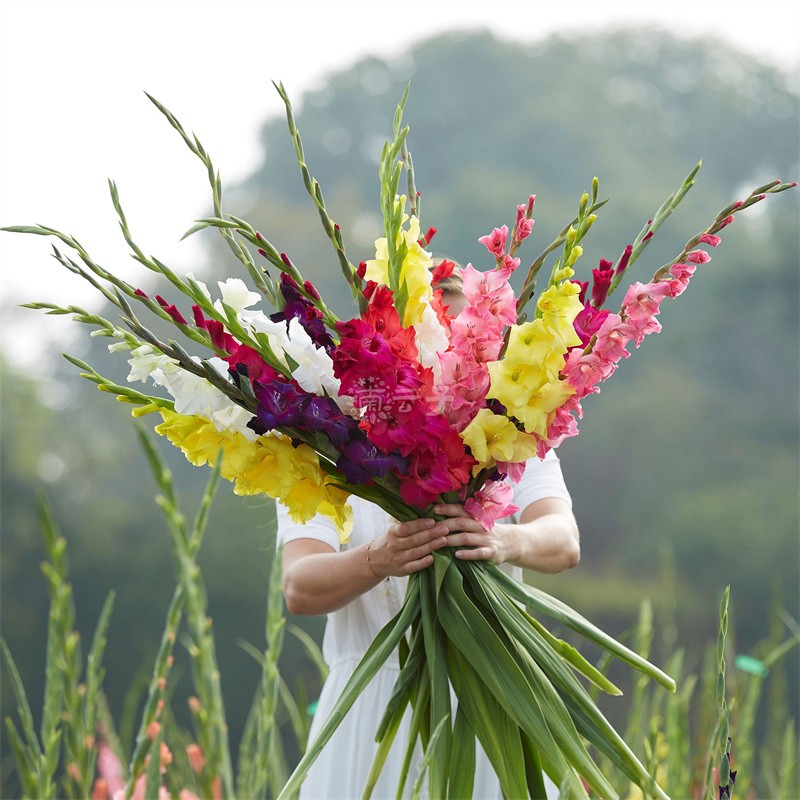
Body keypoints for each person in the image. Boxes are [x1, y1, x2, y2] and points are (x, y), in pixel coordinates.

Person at [277, 267, 580, 799]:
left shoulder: (509, 422)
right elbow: (300, 586)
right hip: (370, 708)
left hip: (493, 695)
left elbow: (562, 540)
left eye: (454, 339)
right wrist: (378, 559)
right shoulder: (325, 441)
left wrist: (502, 541)